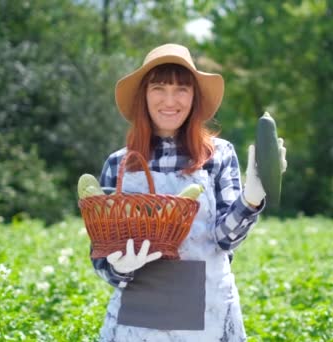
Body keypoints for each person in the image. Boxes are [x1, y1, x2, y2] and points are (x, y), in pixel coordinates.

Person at [91, 43, 287, 341]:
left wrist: (252, 197)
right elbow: (100, 257)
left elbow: (225, 240)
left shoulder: (219, 155)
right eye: (159, 88)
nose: (170, 100)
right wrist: (117, 267)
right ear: (144, 95)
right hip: (138, 319)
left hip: (208, 312)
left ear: (194, 96)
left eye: (181, 89)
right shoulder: (118, 164)